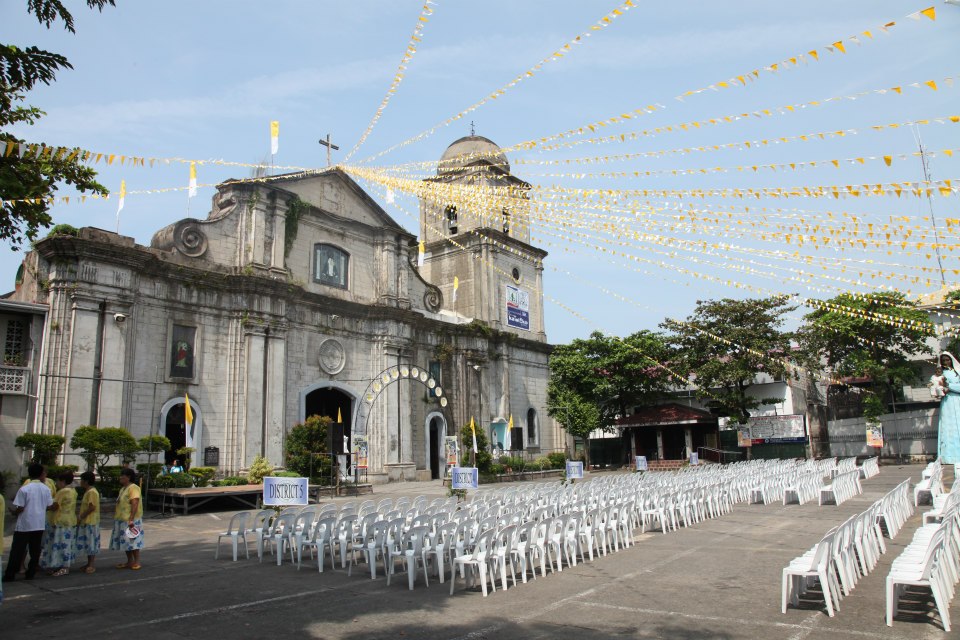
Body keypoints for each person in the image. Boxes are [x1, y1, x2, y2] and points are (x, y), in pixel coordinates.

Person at [3, 463, 54, 582]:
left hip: (25, 524)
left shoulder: (24, 489)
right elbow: (49, 505)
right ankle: (31, 572)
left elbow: (20, 507)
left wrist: (14, 512)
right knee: (35, 550)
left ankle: (10, 573)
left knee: (17, 550)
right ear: (41, 474)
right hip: (39, 523)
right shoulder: (46, 489)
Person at [40, 471, 77, 576]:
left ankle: (64, 567)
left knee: (60, 543)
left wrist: (43, 507)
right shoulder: (73, 490)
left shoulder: (63, 491)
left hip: (60, 521)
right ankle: (59, 565)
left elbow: (55, 505)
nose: (56, 483)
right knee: (64, 543)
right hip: (69, 520)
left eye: (58, 481)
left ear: (63, 481)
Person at [110, 468, 143, 570]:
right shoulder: (123, 488)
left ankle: (136, 561)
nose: (120, 477)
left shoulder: (133, 488)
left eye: (122, 476)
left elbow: (135, 502)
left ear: (128, 477)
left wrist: (131, 519)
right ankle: (129, 561)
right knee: (125, 542)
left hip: (130, 519)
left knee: (133, 540)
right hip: (121, 519)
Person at [75, 471, 101, 574]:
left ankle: (91, 564)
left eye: (81, 480)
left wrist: (81, 516)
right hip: (87, 522)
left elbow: (92, 507)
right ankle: (88, 563)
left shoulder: (92, 492)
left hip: (91, 521)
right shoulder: (88, 491)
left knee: (91, 543)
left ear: (86, 481)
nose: (80, 482)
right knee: (87, 543)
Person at [937, 352, 960, 464]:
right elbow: (937, 387)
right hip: (947, 403)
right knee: (948, 428)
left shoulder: (958, 372)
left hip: (958, 400)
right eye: (944, 361)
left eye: (948, 360)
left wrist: (950, 387)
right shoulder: (941, 374)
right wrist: (939, 390)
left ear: (952, 360)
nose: (946, 362)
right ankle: (949, 457)